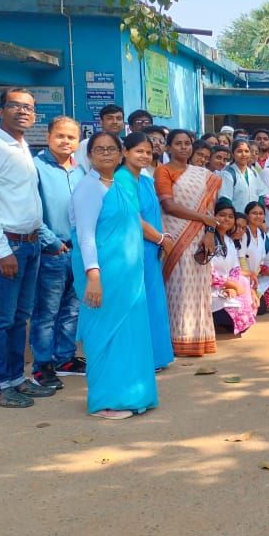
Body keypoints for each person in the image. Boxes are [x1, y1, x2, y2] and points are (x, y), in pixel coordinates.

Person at [0, 88, 53, 408]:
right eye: (15, 106)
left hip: (29, 244)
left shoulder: (22, 147)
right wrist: (1, 250)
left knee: (19, 318)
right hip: (5, 246)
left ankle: (16, 378)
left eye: (28, 107)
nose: (23, 111)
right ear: (1, 111)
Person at [70, 132, 158, 419]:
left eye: (111, 149)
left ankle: (132, 395)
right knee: (104, 335)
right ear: (89, 155)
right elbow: (85, 236)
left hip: (128, 277)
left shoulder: (118, 185)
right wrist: (93, 276)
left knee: (129, 335)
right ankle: (106, 400)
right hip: (102, 275)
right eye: (99, 149)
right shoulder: (88, 188)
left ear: (120, 153)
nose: (106, 153)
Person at [154, 129, 221, 357]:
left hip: (200, 238)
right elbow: (169, 206)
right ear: (168, 148)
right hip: (175, 236)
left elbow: (210, 209)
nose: (183, 147)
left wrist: (209, 232)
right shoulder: (163, 171)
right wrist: (203, 219)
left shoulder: (203, 175)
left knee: (199, 289)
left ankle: (199, 339)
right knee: (178, 287)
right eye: (178, 143)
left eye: (187, 143)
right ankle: (176, 340)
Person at [30, 116, 86, 389]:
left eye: (71, 137)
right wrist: (51, 243)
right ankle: (42, 365)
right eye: (60, 136)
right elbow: (30, 210)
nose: (66, 141)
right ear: (48, 136)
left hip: (78, 252)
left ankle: (65, 358)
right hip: (51, 252)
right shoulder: (35, 167)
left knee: (72, 310)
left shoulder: (79, 170)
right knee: (46, 313)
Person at [117, 132, 175, 371]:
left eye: (148, 152)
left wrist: (162, 239)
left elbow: (154, 215)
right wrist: (161, 239)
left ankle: (154, 356)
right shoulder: (122, 179)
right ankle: (140, 359)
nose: (144, 156)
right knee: (137, 304)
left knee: (153, 302)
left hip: (151, 250)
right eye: (138, 151)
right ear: (125, 152)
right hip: (133, 250)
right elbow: (134, 219)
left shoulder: (145, 179)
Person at [210, 197, 257, 335]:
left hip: (227, 289)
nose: (226, 219)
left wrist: (233, 288)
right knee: (234, 320)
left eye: (230, 216)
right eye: (222, 215)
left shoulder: (229, 241)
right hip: (211, 290)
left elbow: (235, 270)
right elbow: (209, 272)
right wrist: (231, 285)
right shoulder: (209, 239)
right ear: (213, 216)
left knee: (244, 322)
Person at [219, 139, 268, 212]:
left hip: (253, 217)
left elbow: (260, 195)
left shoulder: (253, 173)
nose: (244, 154)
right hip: (237, 216)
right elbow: (225, 199)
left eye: (246, 151)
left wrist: (259, 212)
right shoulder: (227, 174)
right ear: (232, 154)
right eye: (239, 151)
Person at [78, 104, 124, 173]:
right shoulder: (86, 144)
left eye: (119, 118)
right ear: (101, 122)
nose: (115, 122)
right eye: (109, 118)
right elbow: (82, 171)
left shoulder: (125, 145)